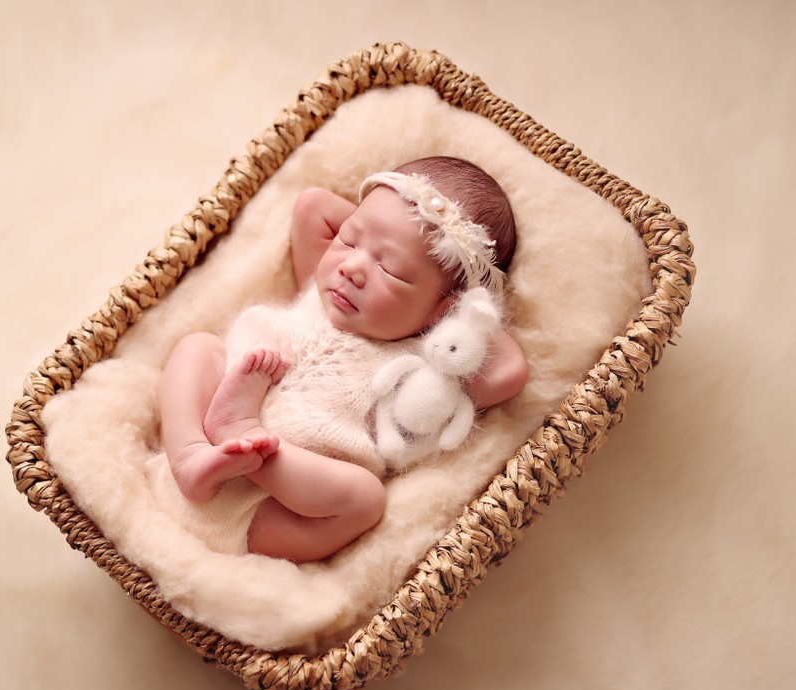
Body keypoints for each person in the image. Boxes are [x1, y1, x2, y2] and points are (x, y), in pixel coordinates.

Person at [157, 156, 528, 562]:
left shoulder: (421, 365)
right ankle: (189, 453)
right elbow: (314, 206)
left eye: (392, 271)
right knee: (198, 347)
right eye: (349, 241)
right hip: (198, 454)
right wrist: (394, 214)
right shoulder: (322, 288)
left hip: (261, 512)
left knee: (365, 499)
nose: (351, 268)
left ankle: (238, 429)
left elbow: (510, 371)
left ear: (443, 310)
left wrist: (466, 318)